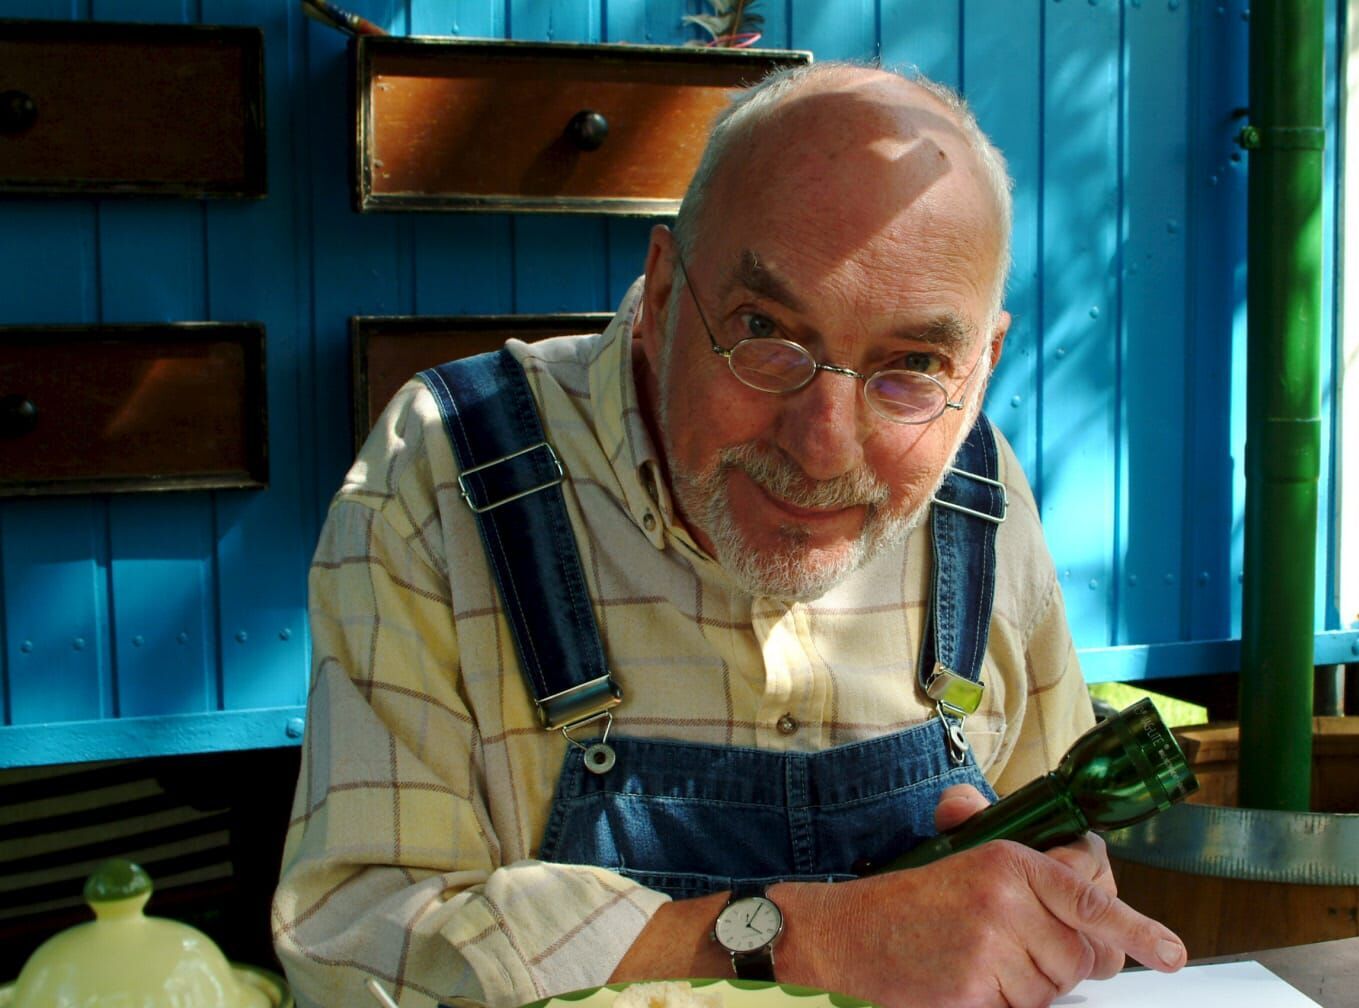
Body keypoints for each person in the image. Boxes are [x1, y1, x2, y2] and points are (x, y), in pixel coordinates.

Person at [272, 61, 1187, 1008]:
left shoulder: (978, 489)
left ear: (983, 362)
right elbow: (354, 948)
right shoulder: (453, 472)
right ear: (665, 293)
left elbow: (1053, 835)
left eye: (913, 363)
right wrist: (805, 941)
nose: (824, 448)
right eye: (766, 332)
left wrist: (1053, 900)